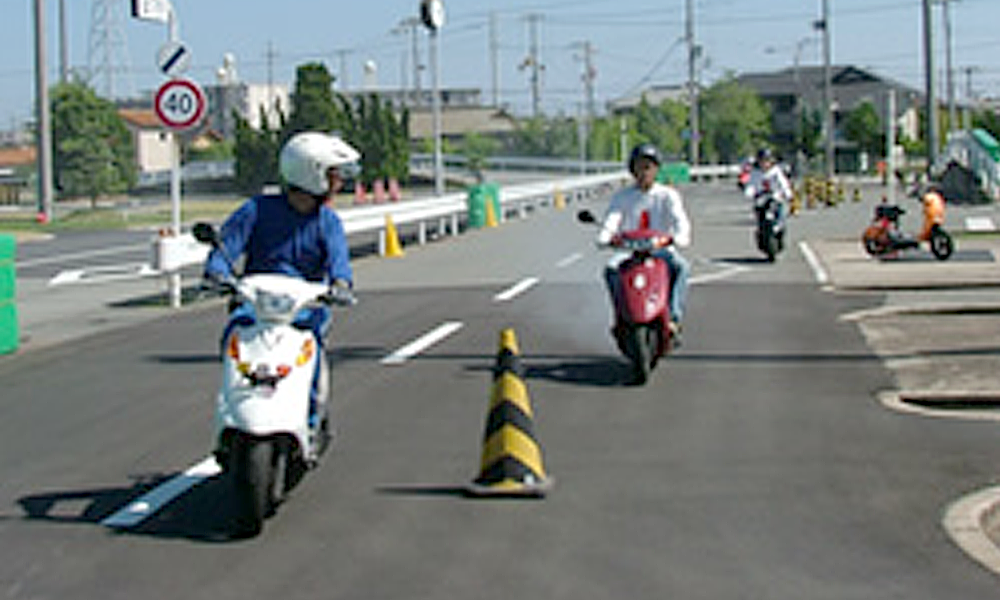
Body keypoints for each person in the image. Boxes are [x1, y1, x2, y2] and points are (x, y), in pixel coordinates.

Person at [203, 131, 359, 430]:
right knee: (234, 338)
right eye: (333, 174)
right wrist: (216, 272)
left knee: (308, 352)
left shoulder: (328, 221)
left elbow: (339, 260)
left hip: (305, 306)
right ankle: (231, 413)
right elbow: (227, 245)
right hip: (256, 303)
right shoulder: (256, 210)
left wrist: (341, 284)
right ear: (314, 175)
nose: (339, 182)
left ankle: (310, 420)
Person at [597, 142, 692, 340]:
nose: (644, 172)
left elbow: (679, 219)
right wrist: (605, 237)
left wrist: (679, 237)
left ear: (656, 169)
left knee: (682, 267)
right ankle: (621, 315)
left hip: (659, 250)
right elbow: (612, 219)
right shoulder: (623, 197)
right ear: (632, 170)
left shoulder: (667, 195)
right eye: (639, 167)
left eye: (648, 167)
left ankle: (674, 317)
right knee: (611, 270)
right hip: (629, 251)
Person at [743, 147, 794, 224]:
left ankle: (779, 223)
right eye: (762, 161)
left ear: (771, 161)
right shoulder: (755, 173)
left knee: (778, 204)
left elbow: (783, 183)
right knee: (758, 206)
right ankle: (761, 224)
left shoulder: (776, 171)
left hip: (774, 194)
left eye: (766, 161)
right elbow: (751, 184)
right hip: (761, 195)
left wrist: (787, 193)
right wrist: (749, 192)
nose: (764, 164)